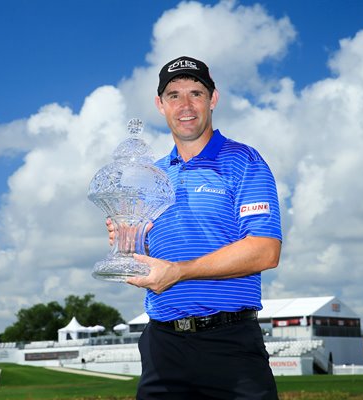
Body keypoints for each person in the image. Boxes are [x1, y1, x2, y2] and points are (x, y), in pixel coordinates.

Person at [108, 56, 282, 399]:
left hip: (230, 346)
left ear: (213, 99)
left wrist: (178, 271)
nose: (185, 105)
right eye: (173, 95)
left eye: (195, 93)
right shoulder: (149, 178)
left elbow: (265, 249)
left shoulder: (244, 161)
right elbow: (148, 259)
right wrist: (126, 243)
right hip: (163, 348)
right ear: (160, 105)